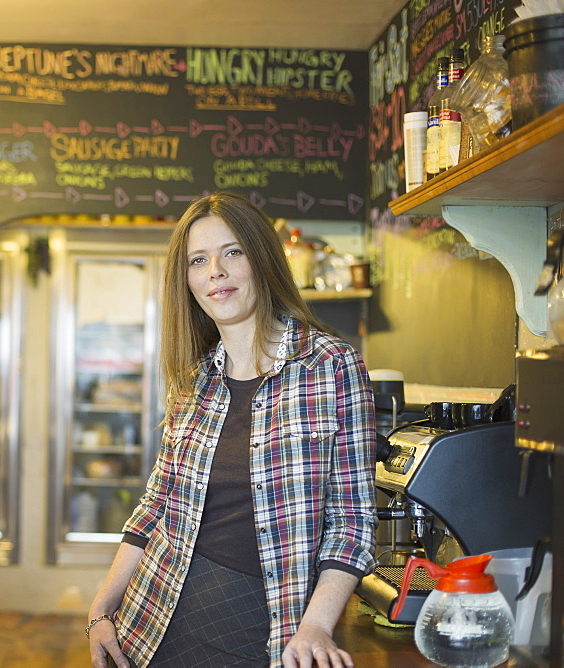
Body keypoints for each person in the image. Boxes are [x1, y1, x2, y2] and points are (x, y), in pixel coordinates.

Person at [86, 192, 377, 668]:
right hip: (151, 620)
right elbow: (155, 506)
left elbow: (353, 521)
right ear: (188, 281)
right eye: (198, 260)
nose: (215, 272)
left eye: (232, 252)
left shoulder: (330, 365)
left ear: (261, 259)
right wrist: (101, 608)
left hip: (265, 626)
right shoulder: (195, 380)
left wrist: (316, 626)